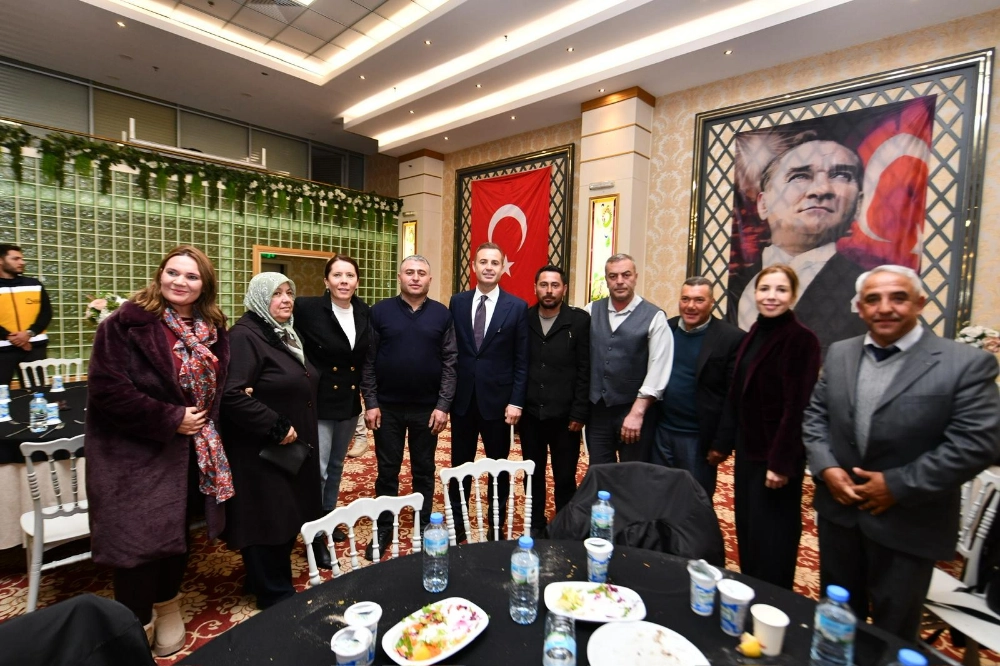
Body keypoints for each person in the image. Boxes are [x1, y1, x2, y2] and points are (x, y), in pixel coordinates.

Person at [803, 265, 1000, 640]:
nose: (884, 308)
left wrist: (896, 485)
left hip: (908, 522)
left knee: (893, 632)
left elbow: (976, 443)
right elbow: (816, 416)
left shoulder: (964, 364)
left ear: (920, 303)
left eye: (898, 297)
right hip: (839, 514)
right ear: (860, 307)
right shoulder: (841, 353)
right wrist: (826, 467)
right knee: (837, 619)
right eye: (873, 299)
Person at [85, 245, 232, 656]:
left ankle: (168, 605)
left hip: (191, 455)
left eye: (191, 276)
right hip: (133, 459)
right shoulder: (124, 324)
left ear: (205, 285)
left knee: (176, 536)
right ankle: (134, 625)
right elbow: (107, 391)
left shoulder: (213, 329)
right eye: (173, 272)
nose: (180, 282)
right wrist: (171, 418)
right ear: (160, 274)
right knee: (136, 547)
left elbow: (217, 391)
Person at [710, 264, 821, 590]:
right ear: (756, 294)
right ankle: (753, 591)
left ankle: (773, 598)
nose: (772, 296)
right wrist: (723, 443)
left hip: (777, 457)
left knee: (774, 538)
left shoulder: (802, 340)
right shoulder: (754, 333)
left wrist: (781, 463)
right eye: (765, 289)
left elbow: (798, 407)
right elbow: (737, 394)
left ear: (793, 296)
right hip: (749, 451)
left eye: (781, 290)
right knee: (749, 528)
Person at [220, 273, 322, 609]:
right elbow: (231, 394)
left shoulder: (283, 332)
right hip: (261, 449)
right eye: (276, 293)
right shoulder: (244, 337)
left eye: (289, 292)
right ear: (259, 299)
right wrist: (275, 425)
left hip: (289, 448)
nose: (286, 299)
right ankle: (274, 595)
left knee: (285, 512)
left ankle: (260, 580)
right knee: (267, 517)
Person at [729, 132, 868, 354]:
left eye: (841, 175)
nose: (821, 190)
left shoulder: (866, 288)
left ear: (858, 204)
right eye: (800, 176)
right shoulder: (734, 283)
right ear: (763, 204)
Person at [361, 255, 456, 559]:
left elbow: (450, 362)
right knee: (387, 470)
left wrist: (443, 405)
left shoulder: (442, 314)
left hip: (427, 410)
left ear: (430, 279)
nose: (415, 277)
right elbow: (368, 361)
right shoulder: (379, 312)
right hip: (386, 408)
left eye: (421, 273)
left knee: (424, 470)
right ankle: (384, 527)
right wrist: (371, 402)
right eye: (410, 272)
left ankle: (424, 523)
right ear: (399, 277)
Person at [448, 242, 529, 542]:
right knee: (460, 465)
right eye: (483, 262)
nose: (489, 267)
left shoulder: (516, 307)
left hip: (498, 402)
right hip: (463, 400)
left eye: (495, 262)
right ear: (474, 266)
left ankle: (497, 523)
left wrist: (516, 401)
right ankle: (458, 523)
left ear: (502, 267)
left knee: (499, 466)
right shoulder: (457, 302)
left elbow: (522, 360)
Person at [294, 254, 371, 566]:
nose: (343, 281)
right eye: (337, 275)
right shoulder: (306, 308)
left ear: (357, 281)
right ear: (326, 281)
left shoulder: (364, 311)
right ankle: (314, 535)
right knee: (320, 469)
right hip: (320, 401)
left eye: (349, 275)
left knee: (337, 466)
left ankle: (328, 517)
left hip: (349, 403)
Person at [654, 277, 744, 499]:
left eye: (699, 300)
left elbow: (733, 397)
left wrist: (722, 444)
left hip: (698, 438)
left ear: (712, 302)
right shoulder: (667, 328)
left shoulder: (731, 338)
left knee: (695, 501)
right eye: (685, 299)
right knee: (660, 496)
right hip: (661, 431)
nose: (690, 306)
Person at [521, 265, 589, 535]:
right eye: (543, 285)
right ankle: (536, 526)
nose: (549, 291)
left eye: (555, 285)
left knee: (565, 477)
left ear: (564, 289)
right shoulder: (524, 319)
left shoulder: (579, 321)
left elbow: (585, 369)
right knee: (533, 475)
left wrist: (579, 412)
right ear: (535, 288)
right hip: (531, 415)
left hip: (566, 418)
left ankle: (565, 529)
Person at [585, 253, 671, 464]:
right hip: (598, 412)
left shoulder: (655, 317)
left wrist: (637, 413)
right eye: (613, 276)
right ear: (606, 280)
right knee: (600, 471)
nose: (620, 281)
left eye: (626, 275)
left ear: (635, 277)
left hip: (634, 410)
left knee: (632, 474)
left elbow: (659, 368)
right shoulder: (590, 311)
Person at [0, 244, 52, 386]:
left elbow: (46, 313)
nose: (22, 262)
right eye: (15, 259)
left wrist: (29, 333)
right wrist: (9, 336)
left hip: (34, 347)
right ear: (1, 260)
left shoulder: (34, 284)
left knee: (37, 392)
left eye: (22, 259)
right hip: (2, 350)